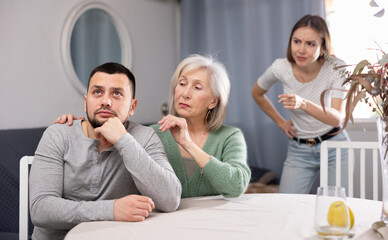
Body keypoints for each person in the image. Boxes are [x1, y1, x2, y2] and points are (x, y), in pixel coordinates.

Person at [57, 54, 251, 199]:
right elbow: (115, 138)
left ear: (213, 102)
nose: (185, 93)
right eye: (182, 84)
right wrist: (81, 125)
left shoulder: (230, 136)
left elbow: (236, 186)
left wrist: (188, 144)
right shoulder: (151, 135)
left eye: (197, 87)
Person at [30, 62, 182, 240]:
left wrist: (123, 140)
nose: (106, 101)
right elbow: (40, 208)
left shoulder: (145, 137)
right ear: (86, 103)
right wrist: (112, 210)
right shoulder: (58, 135)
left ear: (132, 106)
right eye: (97, 92)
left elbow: (170, 199)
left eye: (117, 93)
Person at [251, 15, 350, 194]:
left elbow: (337, 119)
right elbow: (257, 93)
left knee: (336, 207)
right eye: (297, 41)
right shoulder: (280, 67)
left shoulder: (337, 69)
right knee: (286, 207)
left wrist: (303, 103)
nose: (301, 50)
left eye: (310, 44)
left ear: (323, 48)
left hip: (334, 145)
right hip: (299, 150)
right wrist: (281, 122)